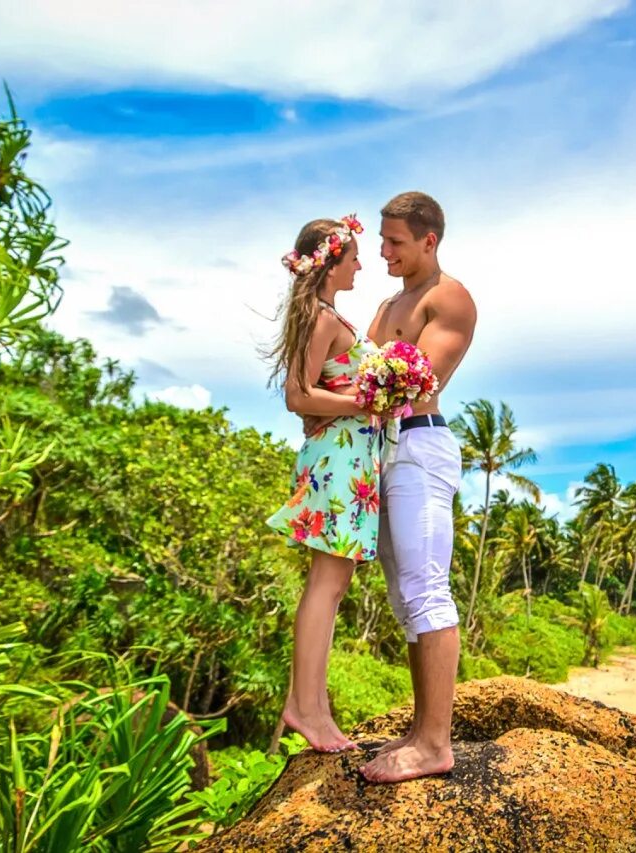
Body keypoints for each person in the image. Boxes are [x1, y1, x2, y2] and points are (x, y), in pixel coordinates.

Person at [361, 191, 477, 783]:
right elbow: (360, 372)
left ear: (428, 240)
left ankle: (435, 743)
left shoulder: (447, 297)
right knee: (406, 599)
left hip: (420, 445)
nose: (383, 252)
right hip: (383, 453)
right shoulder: (387, 305)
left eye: (395, 242)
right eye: (381, 240)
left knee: (427, 589)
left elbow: (413, 380)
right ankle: (420, 729)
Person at [265, 215, 378, 753]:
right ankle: (304, 707)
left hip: (347, 460)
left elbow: (312, 393)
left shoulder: (329, 314)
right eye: (353, 256)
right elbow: (297, 394)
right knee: (325, 586)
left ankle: (315, 707)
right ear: (331, 260)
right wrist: (365, 402)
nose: (361, 264)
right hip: (336, 459)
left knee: (333, 585)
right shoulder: (321, 316)